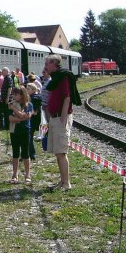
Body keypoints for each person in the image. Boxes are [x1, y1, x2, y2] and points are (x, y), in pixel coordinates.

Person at [43, 54, 79, 189]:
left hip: (60, 118)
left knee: (61, 153)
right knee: (58, 153)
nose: (45, 66)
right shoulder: (55, 78)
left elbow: (67, 97)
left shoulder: (63, 76)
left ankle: (66, 183)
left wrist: (63, 119)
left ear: (54, 64)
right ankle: (62, 182)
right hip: (55, 117)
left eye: (47, 63)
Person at [7, 86, 33, 184]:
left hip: (25, 130)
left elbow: (26, 116)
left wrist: (14, 109)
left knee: (25, 153)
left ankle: (27, 174)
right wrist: (22, 118)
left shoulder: (28, 105)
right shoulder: (11, 103)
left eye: (16, 94)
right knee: (15, 152)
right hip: (14, 131)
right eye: (13, 94)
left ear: (22, 95)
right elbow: (11, 119)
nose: (14, 96)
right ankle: (14, 174)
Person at [26, 82, 42, 161]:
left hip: (33, 120)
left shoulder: (34, 98)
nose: (26, 90)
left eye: (28, 89)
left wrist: (25, 115)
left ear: (33, 89)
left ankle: (32, 154)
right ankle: (30, 153)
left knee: (29, 136)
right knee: (29, 137)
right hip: (32, 119)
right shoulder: (33, 97)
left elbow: (35, 112)